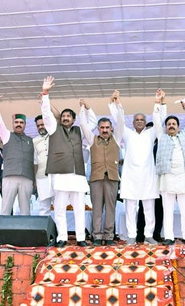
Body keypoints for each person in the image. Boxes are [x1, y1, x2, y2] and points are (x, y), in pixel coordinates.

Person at [40, 76, 97, 247]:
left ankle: (80, 238)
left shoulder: (79, 130)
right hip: (61, 176)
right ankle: (62, 238)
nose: (65, 118)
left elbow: (92, 122)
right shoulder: (53, 129)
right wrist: (45, 94)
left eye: (68, 116)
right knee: (59, 210)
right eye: (63, 116)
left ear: (73, 119)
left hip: (77, 177)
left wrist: (88, 108)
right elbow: (46, 114)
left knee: (80, 210)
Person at [109, 92, 166, 245]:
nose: (139, 122)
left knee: (149, 209)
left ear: (145, 122)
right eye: (137, 120)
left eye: (142, 120)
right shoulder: (127, 134)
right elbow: (119, 121)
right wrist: (116, 104)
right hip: (131, 177)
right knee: (130, 208)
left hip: (148, 176)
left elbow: (159, 121)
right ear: (133, 123)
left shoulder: (151, 133)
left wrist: (158, 104)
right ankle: (131, 236)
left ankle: (148, 234)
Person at [154, 89, 185, 246]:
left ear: (178, 127)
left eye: (174, 124)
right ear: (166, 127)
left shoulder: (184, 136)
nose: (171, 126)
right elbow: (156, 120)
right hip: (168, 178)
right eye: (169, 124)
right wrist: (158, 102)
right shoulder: (161, 136)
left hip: (184, 177)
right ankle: (169, 237)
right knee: (168, 210)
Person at [80, 93, 124, 246]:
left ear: (111, 128)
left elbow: (121, 121)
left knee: (111, 208)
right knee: (97, 208)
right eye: (102, 128)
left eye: (107, 127)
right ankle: (97, 236)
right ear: (98, 129)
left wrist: (118, 105)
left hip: (112, 177)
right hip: (96, 178)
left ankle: (110, 236)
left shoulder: (117, 139)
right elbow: (84, 126)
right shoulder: (92, 140)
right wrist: (83, 109)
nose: (105, 130)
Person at [0, 90, 35, 216]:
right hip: (9, 176)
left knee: (26, 210)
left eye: (21, 123)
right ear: (13, 124)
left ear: (25, 125)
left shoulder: (31, 140)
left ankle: (24, 234)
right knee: (6, 208)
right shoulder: (7, 136)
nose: (19, 124)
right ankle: (4, 235)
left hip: (27, 178)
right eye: (16, 122)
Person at [33, 115, 55, 217]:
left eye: (43, 124)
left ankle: (60, 232)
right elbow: (35, 162)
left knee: (59, 206)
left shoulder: (56, 136)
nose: (40, 127)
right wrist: (35, 180)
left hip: (56, 176)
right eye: (38, 126)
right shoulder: (35, 141)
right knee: (43, 207)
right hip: (41, 177)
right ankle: (45, 232)